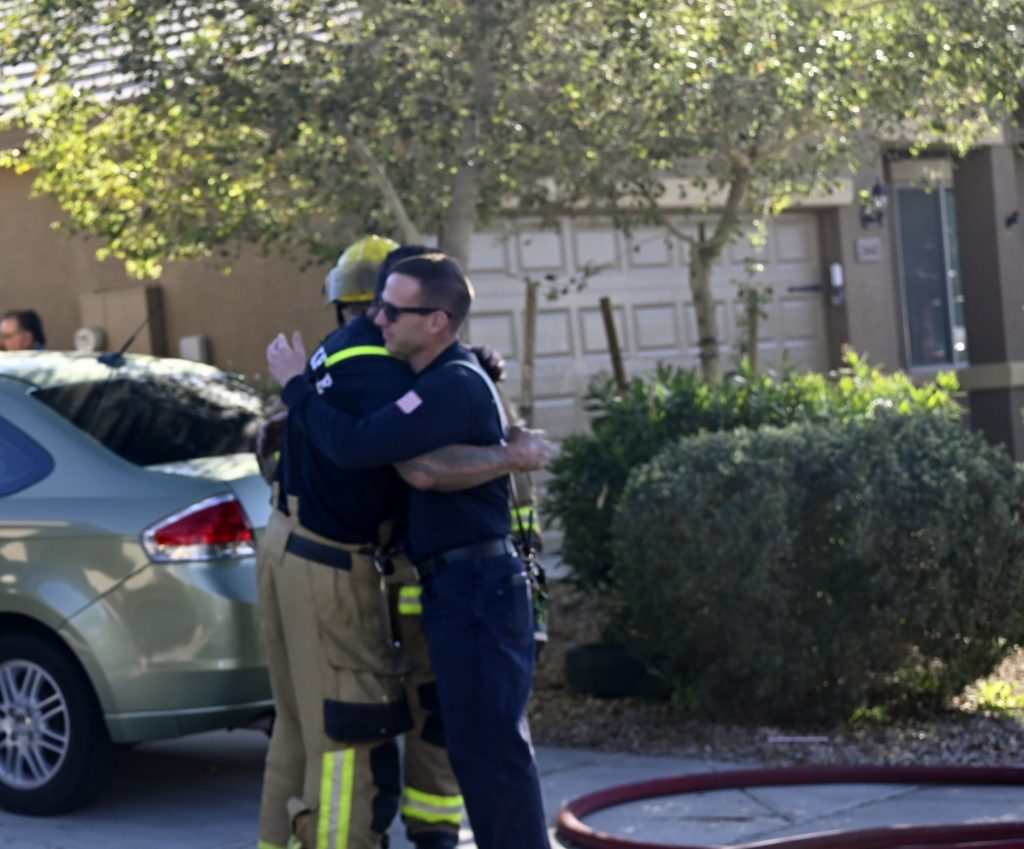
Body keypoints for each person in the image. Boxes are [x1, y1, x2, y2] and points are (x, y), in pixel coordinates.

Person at [256, 237, 549, 849]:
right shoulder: (397, 372)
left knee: (481, 744)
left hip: (470, 586)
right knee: (444, 734)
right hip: (432, 582)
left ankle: (451, 835)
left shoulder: (425, 377)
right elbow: (401, 458)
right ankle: (438, 834)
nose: (375, 320)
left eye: (389, 309)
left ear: (436, 320)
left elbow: (412, 463)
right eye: (373, 306)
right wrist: (508, 454)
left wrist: (298, 390)